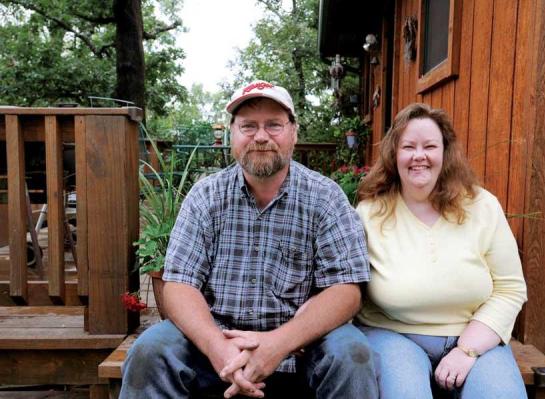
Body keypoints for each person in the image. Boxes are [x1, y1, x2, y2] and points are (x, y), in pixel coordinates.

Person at [120, 80, 379, 398]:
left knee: (352, 353)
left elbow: (347, 290)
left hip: (300, 353)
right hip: (214, 353)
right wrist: (218, 348)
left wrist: (276, 344)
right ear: (232, 134)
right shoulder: (206, 196)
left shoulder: (326, 198)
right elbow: (178, 285)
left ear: (293, 133)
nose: (260, 136)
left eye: (274, 125)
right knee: (151, 350)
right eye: (248, 126)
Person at [355, 103, 528, 398]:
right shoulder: (370, 212)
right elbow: (349, 288)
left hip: (478, 337)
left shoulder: (482, 205)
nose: (419, 155)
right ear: (394, 154)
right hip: (394, 335)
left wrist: (467, 349)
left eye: (430, 146)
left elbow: (510, 289)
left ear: (445, 153)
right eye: (408, 146)